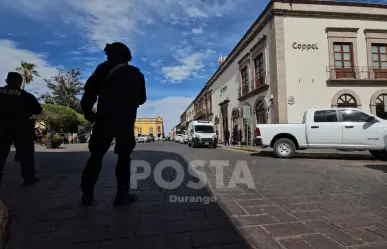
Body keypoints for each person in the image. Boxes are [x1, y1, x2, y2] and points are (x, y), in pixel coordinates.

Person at [80, 42, 146, 207]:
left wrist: (90, 114)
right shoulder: (136, 74)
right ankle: (122, 195)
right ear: (127, 56)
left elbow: (89, 95)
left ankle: (87, 194)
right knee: (124, 157)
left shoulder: (101, 70)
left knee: (96, 156)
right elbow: (142, 99)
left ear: (109, 54)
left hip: (104, 119)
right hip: (125, 120)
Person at [0, 72, 42, 184]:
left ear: (6, 81)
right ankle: (29, 178)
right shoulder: (26, 95)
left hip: (2, 126)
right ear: (20, 82)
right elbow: (38, 110)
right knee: (26, 154)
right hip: (21, 127)